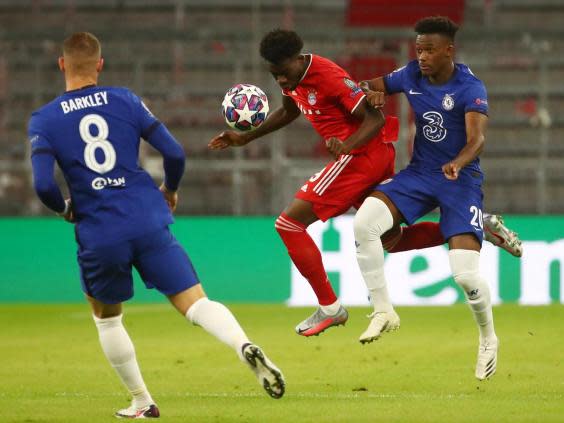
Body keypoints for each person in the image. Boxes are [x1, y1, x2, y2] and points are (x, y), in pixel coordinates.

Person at [28, 32, 285, 419]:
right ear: (100, 64)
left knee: (107, 318)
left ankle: (142, 401)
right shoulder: (126, 100)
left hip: (100, 229)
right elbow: (175, 152)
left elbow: (43, 184)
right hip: (147, 217)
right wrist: (170, 189)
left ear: (62, 64)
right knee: (196, 302)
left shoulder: (45, 118)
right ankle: (242, 344)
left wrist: (64, 208)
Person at [209, 29, 521, 339]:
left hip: (362, 155)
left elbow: (375, 120)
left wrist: (347, 147)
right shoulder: (292, 80)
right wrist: (246, 137)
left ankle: (330, 308)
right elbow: (289, 111)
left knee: (288, 224)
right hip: (363, 156)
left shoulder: (326, 76)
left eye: (283, 73)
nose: (281, 81)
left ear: (297, 59)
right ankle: (474, 225)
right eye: (274, 76)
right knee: (390, 240)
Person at [355, 16, 499, 380]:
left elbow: (477, 139)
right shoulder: (410, 75)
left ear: (449, 51)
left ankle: (488, 339)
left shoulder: (470, 87)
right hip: (419, 175)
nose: (422, 56)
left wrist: (457, 162)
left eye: (429, 50)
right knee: (365, 224)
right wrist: (368, 92)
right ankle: (384, 310)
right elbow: (365, 85)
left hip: (460, 179)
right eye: (419, 49)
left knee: (465, 277)